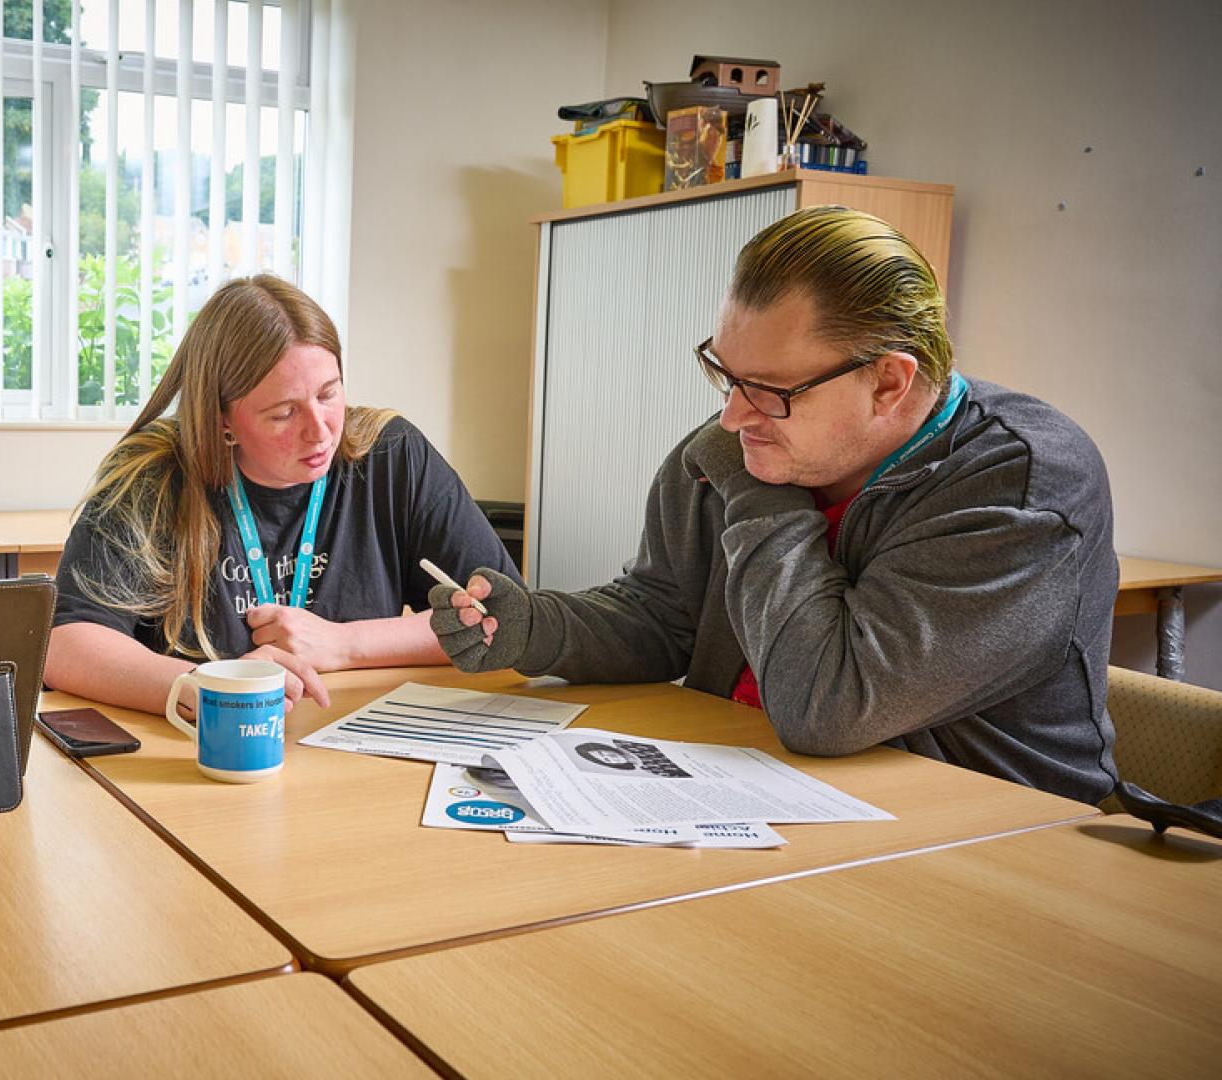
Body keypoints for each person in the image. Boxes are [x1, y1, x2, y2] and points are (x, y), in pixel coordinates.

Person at [431, 205, 1119, 805]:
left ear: (889, 382)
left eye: (770, 388)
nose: (731, 416)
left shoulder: (1022, 486)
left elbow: (830, 703)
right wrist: (534, 629)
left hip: (987, 838)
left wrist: (760, 493)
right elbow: (664, 617)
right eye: (725, 374)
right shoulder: (747, 441)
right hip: (749, 789)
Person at [47, 275, 519, 717]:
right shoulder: (152, 475)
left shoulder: (392, 454)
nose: (319, 432)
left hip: (343, 738)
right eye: (283, 413)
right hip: (202, 749)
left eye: (329, 394)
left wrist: (343, 643)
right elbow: (67, 644)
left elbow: (503, 614)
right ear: (222, 420)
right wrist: (204, 686)